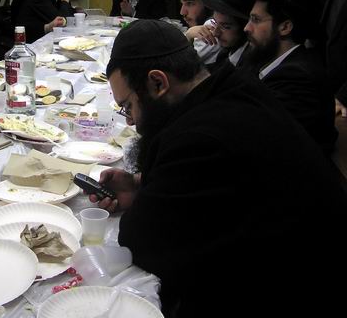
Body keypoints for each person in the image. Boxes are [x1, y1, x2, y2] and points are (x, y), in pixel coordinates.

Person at [91, 19, 347, 317]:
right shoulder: (233, 87)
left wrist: (148, 195)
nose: (130, 121)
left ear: (158, 83)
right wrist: (140, 183)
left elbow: (142, 242)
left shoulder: (200, 137)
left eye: (128, 106)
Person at [242, 0, 336, 154]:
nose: (247, 28)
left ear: (285, 27)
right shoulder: (266, 63)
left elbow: (260, 138)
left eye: (255, 19)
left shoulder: (298, 78)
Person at [193, 0, 255, 70]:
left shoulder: (249, 66)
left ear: (246, 27)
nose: (215, 33)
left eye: (226, 27)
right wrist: (189, 34)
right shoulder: (225, 54)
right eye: (215, 23)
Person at [169, 0, 225, 64]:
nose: (182, 12)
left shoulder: (211, 27)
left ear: (210, 3)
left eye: (189, 3)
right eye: (182, 4)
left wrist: (188, 36)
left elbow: (178, 65)